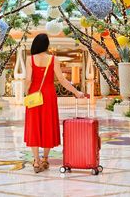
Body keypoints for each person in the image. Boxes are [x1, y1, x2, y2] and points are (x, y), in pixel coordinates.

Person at [24, 33, 85, 173]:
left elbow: (28, 79)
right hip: (49, 95)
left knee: (34, 125)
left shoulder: (30, 59)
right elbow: (62, 80)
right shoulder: (53, 59)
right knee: (47, 124)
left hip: (34, 94)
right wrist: (76, 92)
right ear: (46, 45)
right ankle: (45, 159)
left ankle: (36, 161)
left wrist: (27, 92)